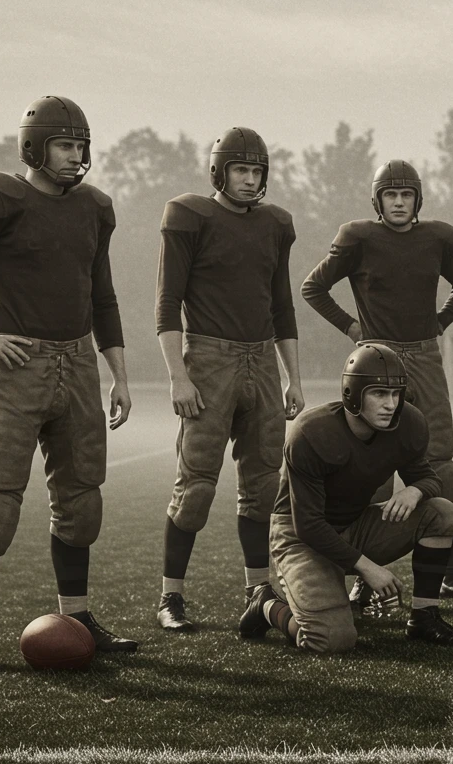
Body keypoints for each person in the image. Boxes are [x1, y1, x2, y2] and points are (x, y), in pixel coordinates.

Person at [0, 95, 136, 675]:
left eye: (82, 145)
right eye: (66, 144)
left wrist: (118, 372)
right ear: (36, 147)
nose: (77, 156)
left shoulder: (93, 207)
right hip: (17, 367)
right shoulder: (0, 197)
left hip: (80, 365)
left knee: (83, 501)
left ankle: (80, 618)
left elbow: (103, 296)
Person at [301, 159, 453, 603]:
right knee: (371, 470)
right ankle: (366, 572)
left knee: (439, 462)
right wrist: (351, 328)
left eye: (406, 195)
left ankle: (448, 570)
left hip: (423, 354)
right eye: (390, 195)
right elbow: (312, 287)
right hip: (373, 358)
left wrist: (438, 324)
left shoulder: (438, 237)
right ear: (377, 200)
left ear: (418, 200)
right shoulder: (358, 236)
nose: (399, 203)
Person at [153, 126, 304, 634]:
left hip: (261, 360)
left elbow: (282, 306)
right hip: (209, 358)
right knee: (195, 486)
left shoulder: (274, 224)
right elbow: (167, 302)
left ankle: (257, 586)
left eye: (257, 170)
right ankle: (171, 596)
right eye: (241, 169)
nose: (250, 179)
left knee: (262, 483)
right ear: (219, 171)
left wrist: (293, 377)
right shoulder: (191, 216)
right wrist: (178, 376)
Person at [246, 345, 453, 652]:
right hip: (301, 537)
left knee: (443, 513)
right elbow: (308, 525)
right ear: (352, 393)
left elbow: (428, 477)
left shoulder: (408, 423)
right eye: (379, 394)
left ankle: (424, 618)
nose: (391, 404)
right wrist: (368, 567)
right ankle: (267, 606)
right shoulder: (312, 433)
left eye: (396, 393)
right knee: (331, 639)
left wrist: (415, 490)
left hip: (353, 524)